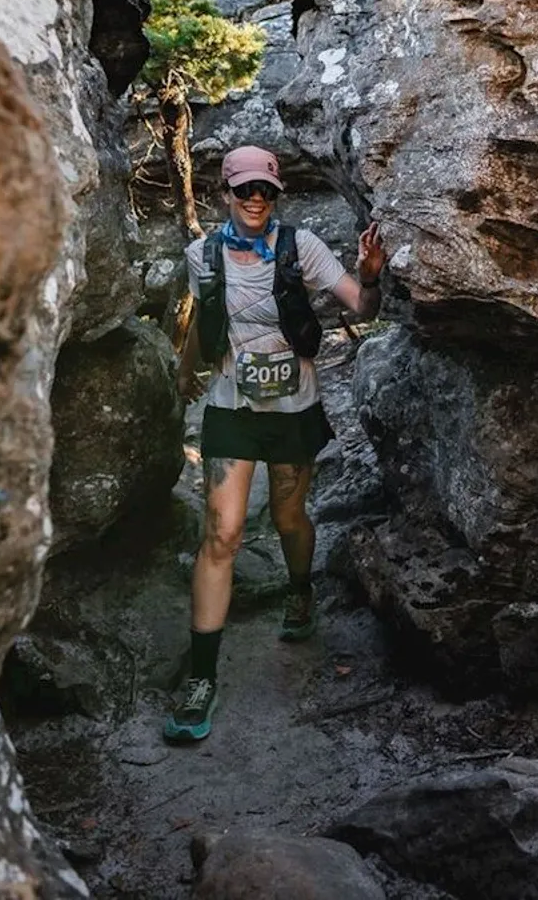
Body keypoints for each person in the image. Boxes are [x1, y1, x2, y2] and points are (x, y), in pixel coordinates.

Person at [164, 144, 384, 743]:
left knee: (289, 515)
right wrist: (186, 375)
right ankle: (201, 677)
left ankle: (299, 590)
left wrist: (369, 274)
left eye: (266, 190)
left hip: (293, 408)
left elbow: (363, 306)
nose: (256, 199)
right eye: (245, 190)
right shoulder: (202, 254)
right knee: (223, 532)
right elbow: (206, 324)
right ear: (226, 194)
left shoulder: (300, 246)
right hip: (232, 408)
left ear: (276, 193)